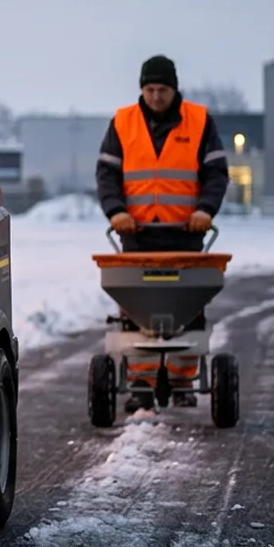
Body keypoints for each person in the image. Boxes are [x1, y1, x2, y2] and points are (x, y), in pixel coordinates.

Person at [95, 54, 230, 410]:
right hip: (136, 235)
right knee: (135, 311)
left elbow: (216, 173)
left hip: (185, 233)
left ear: (175, 90)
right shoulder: (123, 123)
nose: (156, 96)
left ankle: (183, 380)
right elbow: (107, 175)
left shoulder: (199, 121)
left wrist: (205, 210)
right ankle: (140, 381)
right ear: (142, 89)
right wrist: (117, 211)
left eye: (163, 89)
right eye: (150, 89)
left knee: (187, 310)